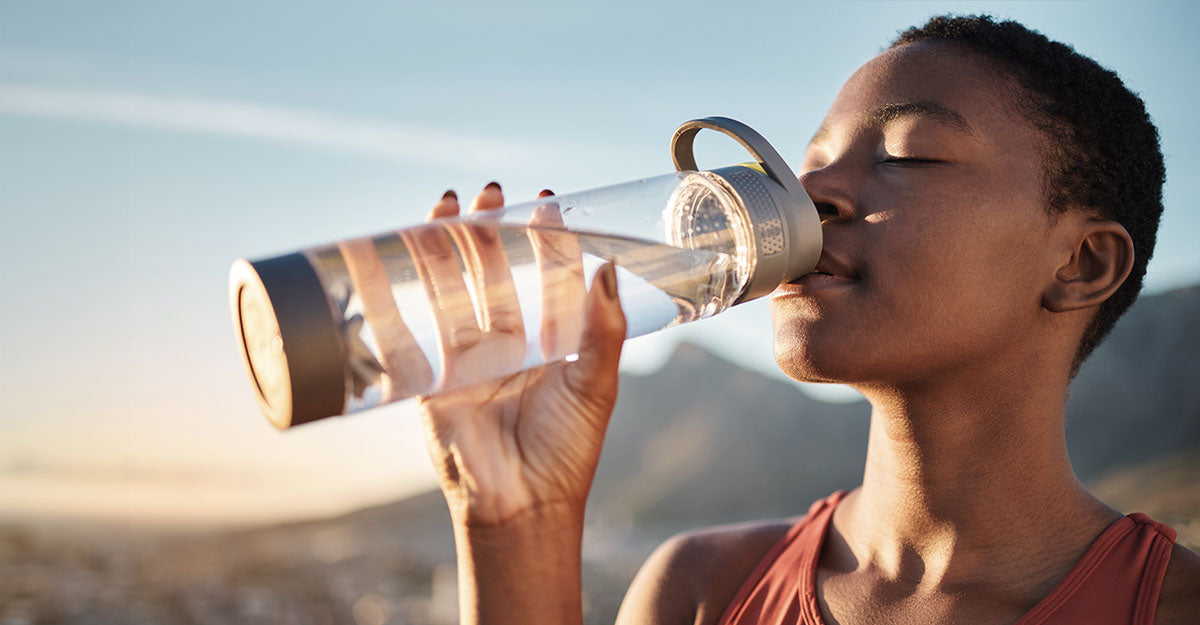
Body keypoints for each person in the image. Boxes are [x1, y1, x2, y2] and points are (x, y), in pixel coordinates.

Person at [411, 14, 1200, 625]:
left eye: (908, 153)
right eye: (806, 161)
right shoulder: (700, 591)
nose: (809, 193)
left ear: (1082, 263)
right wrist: (513, 517)